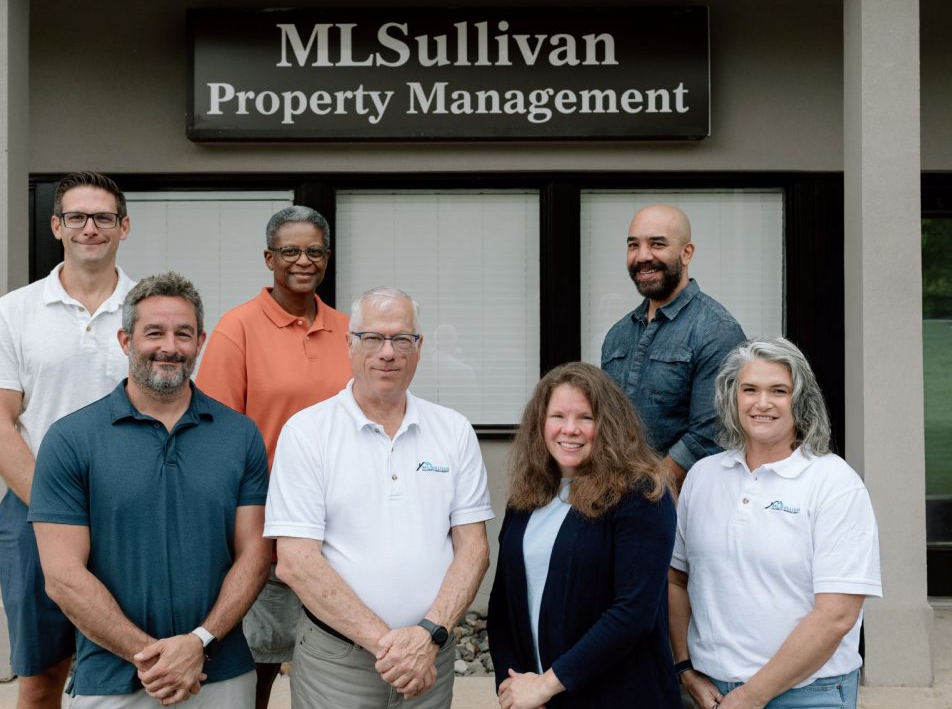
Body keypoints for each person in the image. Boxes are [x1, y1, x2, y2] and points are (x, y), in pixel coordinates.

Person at [29, 272, 270, 708]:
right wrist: (152, 656)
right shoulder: (70, 439)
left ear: (199, 341)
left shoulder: (240, 436)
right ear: (125, 341)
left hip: (220, 671)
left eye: (183, 334)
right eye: (153, 332)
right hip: (111, 678)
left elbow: (254, 556)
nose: (169, 347)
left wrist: (198, 643)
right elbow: (63, 577)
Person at [264, 286, 494, 709]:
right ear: (349, 344)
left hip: (431, 657)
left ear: (418, 348)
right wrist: (394, 648)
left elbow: (474, 548)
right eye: (373, 337)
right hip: (338, 665)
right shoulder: (307, 432)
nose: (388, 352)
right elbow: (296, 561)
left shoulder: (454, 431)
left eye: (401, 338)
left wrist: (428, 635)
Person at [0, 171, 134, 709]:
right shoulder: (15, 310)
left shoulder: (147, 306)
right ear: (56, 226)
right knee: (40, 679)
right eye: (77, 217)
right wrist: (52, 507)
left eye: (103, 217)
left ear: (124, 227)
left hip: (129, 510)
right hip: (33, 508)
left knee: (127, 667)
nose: (91, 228)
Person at [668, 338, 882, 709]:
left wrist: (751, 696)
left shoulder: (835, 483)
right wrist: (685, 668)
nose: (762, 403)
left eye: (778, 391)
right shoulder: (703, 477)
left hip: (808, 694)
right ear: (731, 398)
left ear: (800, 401)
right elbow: (676, 579)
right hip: (709, 692)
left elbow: (836, 616)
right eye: (749, 389)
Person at [195, 205, 352, 709]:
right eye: (290, 250)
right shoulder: (236, 328)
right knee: (260, 657)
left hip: (342, 524)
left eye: (314, 251)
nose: (302, 261)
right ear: (269, 258)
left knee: (336, 656)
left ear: (327, 258)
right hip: (267, 524)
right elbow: (214, 437)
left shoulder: (350, 331)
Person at [487, 362, 680, 709]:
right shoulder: (528, 497)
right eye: (558, 416)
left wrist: (546, 684)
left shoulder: (641, 494)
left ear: (608, 425)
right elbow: (503, 604)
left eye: (586, 418)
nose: (570, 429)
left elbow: (632, 613)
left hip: (619, 698)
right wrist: (512, 686)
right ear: (540, 423)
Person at [600, 203, 745, 489]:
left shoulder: (716, 329)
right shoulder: (617, 335)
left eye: (657, 244)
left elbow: (710, 433)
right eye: (633, 245)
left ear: (686, 252)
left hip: (680, 506)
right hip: (616, 497)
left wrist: (647, 493)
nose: (643, 256)